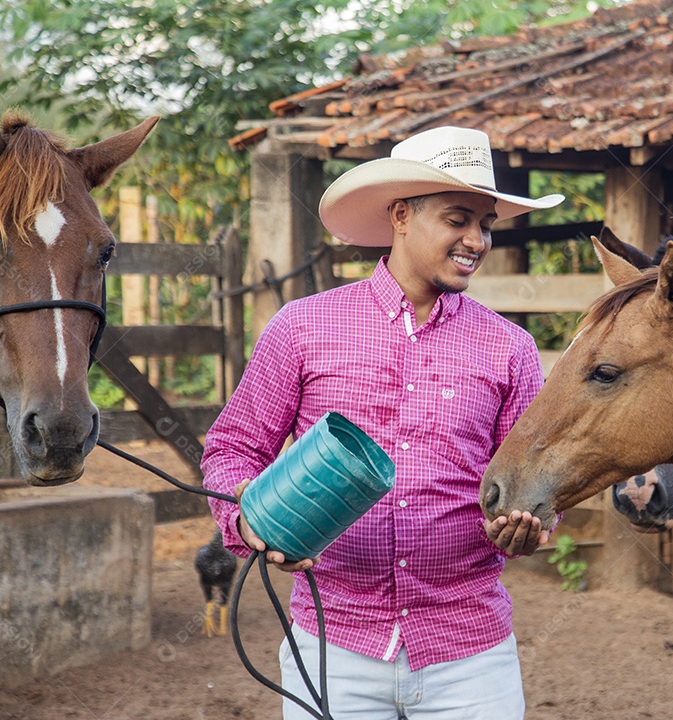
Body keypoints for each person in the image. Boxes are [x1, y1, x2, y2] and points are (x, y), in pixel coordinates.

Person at [202, 126, 564, 719]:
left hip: (468, 655)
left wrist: (526, 526)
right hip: (333, 642)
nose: (477, 238)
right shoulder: (302, 328)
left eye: (487, 223)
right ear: (401, 215)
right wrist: (250, 520)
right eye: (458, 218)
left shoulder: (510, 349)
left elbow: (534, 485)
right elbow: (233, 449)